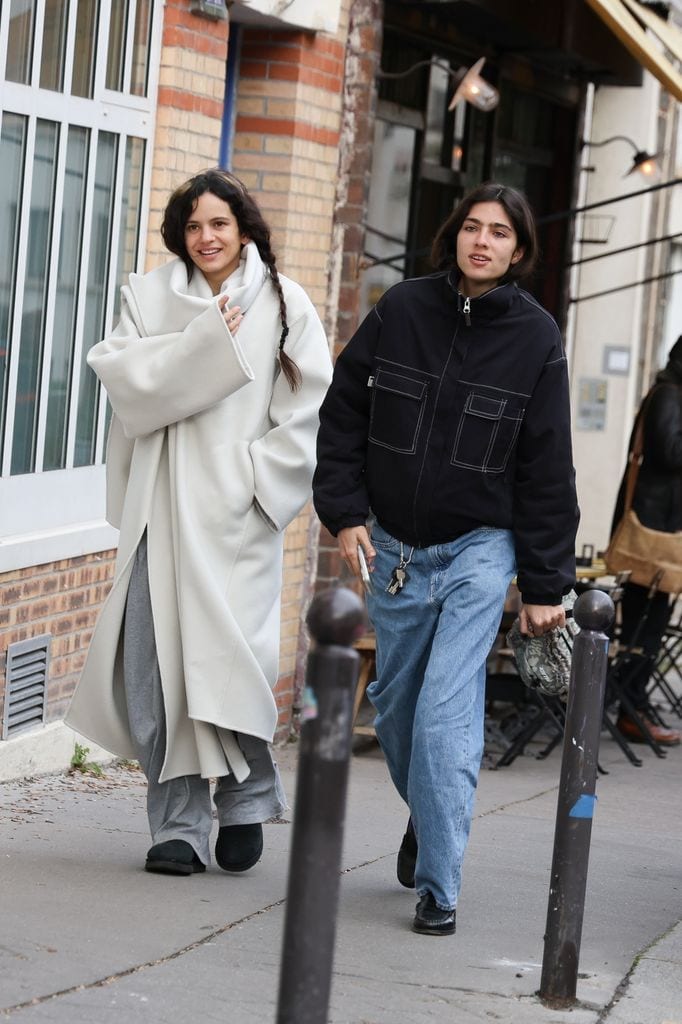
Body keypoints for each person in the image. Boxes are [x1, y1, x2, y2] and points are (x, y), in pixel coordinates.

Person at [313, 182, 579, 936]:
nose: (483, 241)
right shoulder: (401, 310)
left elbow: (546, 464)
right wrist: (345, 513)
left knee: (442, 716)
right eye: (472, 227)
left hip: (479, 550)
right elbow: (343, 412)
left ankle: (440, 885)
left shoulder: (535, 338)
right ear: (454, 237)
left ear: (519, 249)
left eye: (500, 232)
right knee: (395, 712)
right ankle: (430, 818)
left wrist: (544, 581)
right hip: (395, 549)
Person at [66, 169, 333, 875]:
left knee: (228, 666)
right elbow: (125, 383)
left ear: (244, 226)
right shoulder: (149, 296)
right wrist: (203, 345)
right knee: (156, 672)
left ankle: (247, 797)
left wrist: (256, 487)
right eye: (193, 225)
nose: (206, 237)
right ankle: (176, 827)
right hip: (160, 510)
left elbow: (306, 413)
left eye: (219, 222)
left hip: (238, 519)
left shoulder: (283, 302)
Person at [610, 335, 682, 747]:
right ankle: (630, 708)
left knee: (651, 625)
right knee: (642, 627)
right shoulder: (668, 395)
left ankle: (633, 704)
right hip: (649, 531)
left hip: (663, 529)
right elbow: (669, 452)